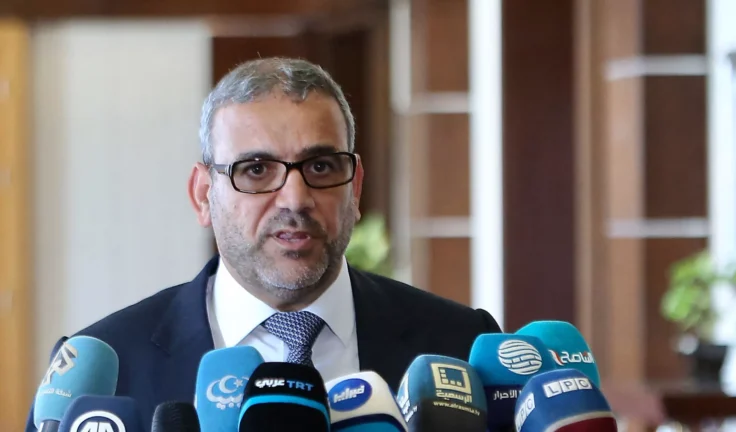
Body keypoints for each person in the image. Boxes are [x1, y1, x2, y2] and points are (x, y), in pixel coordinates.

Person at [25, 57, 502, 431]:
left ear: (355, 189)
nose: (295, 198)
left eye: (321, 167)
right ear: (203, 196)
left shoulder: (459, 344)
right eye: (256, 170)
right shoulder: (108, 372)